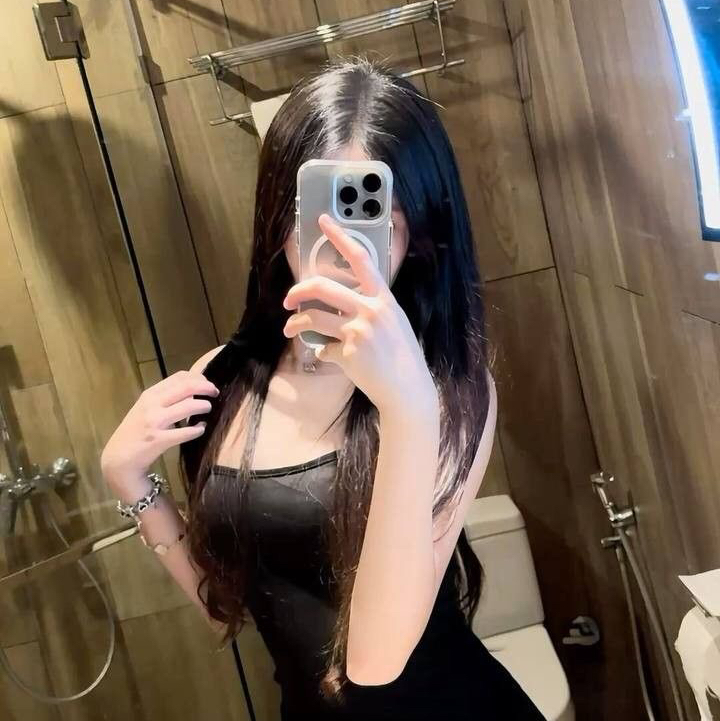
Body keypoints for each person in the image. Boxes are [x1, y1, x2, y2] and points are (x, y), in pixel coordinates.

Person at [101, 56, 544, 721]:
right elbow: (230, 605)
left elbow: (375, 662)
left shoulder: (446, 387)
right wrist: (130, 481)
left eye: (373, 216)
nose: (341, 246)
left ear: (420, 229)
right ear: (279, 215)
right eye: (315, 213)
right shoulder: (225, 375)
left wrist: (407, 408)